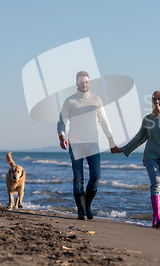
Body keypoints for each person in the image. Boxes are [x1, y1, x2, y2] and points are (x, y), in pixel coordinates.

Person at [113, 90, 160, 228]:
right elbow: (139, 138)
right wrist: (124, 149)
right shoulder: (147, 119)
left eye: (159, 99)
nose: (156, 101)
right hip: (150, 156)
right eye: (154, 99)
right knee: (156, 184)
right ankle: (158, 218)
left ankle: (155, 217)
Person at [57, 71, 118, 220]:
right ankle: (80, 210)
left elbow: (104, 121)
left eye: (87, 81)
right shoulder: (70, 101)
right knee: (78, 178)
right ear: (76, 83)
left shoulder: (96, 100)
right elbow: (61, 122)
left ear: (89, 83)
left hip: (92, 143)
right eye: (81, 82)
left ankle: (87, 204)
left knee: (96, 176)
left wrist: (110, 139)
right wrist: (62, 136)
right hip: (76, 143)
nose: (84, 84)